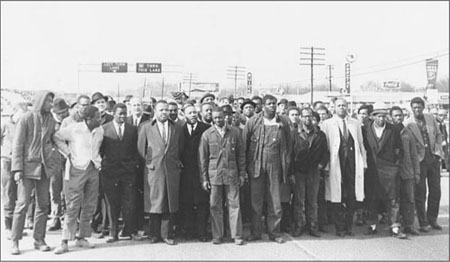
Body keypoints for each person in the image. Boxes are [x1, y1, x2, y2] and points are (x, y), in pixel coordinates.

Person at [10, 91, 57, 255]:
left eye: (52, 101)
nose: (51, 104)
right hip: (27, 168)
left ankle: (39, 239)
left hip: (44, 169)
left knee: (43, 205)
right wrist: (17, 169)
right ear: (40, 101)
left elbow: (53, 141)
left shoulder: (51, 120)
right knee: (22, 204)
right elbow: (17, 145)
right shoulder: (26, 118)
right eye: (48, 101)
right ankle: (15, 241)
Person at [53, 105, 104, 254]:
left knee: (89, 204)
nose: (100, 119)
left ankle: (82, 237)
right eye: (97, 117)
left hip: (93, 169)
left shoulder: (99, 130)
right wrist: (68, 153)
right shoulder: (75, 129)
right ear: (89, 119)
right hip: (77, 169)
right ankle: (64, 241)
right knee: (73, 205)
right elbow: (56, 137)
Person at [243, 94, 292, 244]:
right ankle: (256, 232)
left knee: (275, 201)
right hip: (257, 164)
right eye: (269, 103)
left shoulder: (283, 122)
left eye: (275, 103)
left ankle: (274, 232)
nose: (273, 106)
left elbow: (288, 146)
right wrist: (245, 168)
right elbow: (244, 145)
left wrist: (286, 165)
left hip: (275, 164)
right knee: (256, 201)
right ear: (263, 106)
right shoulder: (253, 121)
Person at [137, 100, 184, 245]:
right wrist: (151, 162)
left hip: (171, 170)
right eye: (161, 110)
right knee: (154, 202)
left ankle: (167, 234)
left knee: (169, 202)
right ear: (155, 112)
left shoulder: (177, 127)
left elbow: (180, 148)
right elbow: (140, 149)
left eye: (166, 110)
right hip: (154, 170)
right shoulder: (146, 127)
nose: (164, 113)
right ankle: (154, 234)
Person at [199, 107, 246, 245]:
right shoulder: (207, 134)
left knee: (234, 205)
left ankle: (236, 235)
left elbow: (241, 156)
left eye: (220, 117)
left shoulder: (235, 133)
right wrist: (204, 179)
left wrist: (242, 174)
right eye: (215, 118)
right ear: (212, 119)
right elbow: (202, 159)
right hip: (214, 176)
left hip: (232, 175)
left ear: (225, 117)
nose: (218, 120)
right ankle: (217, 235)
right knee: (215, 206)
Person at [321, 98, 367, 237]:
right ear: (334, 108)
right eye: (339, 105)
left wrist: (364, 163)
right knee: (337, 196)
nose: (342, 108)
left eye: (344, 105)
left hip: (352, 164)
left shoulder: (355, 123)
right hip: (336, 163)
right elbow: (326, 146)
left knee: (352, 195)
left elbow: (360, 143)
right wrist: (327, 166)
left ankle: (348, 226)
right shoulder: (327, 124)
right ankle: (339, 227)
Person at [100, 103, 143, 243]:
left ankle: (127, 230)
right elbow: (100, 150)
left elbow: (137, 150)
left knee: (129, 202)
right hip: (110, 172)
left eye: (125, 113)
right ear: (113, 113)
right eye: (120, 114)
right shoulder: (104, 129)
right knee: (112, 203)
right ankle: (113, 232)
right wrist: (104, 165)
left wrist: (133, 165)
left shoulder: (133, 129)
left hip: (128, 172)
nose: (123, 116)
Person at [363, 108, 407, 239]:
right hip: (372, 169)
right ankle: (372, 225)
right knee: (372, 197)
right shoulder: (365, 129)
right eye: (378, 117)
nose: (381, 119)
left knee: (393, 198)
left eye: (383, 117)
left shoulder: (392, 129)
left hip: (389, 169)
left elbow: (400, 148)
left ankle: (394, 227)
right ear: (373, 117)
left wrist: (396, 165)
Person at [404, 97, 444, 232]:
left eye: (419, 107)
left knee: (436, 191)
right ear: (411, 108)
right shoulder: (408, 123)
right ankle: (423, 222)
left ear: (423, 107)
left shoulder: (430, 118)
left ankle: (433, 219)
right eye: (414, 107)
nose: (417, 110)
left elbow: (439, 135)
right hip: (420, 162)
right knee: (420, 193)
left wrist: (438, 151)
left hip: (433, 160)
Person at [291, 107, 328, 237]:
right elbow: (290, 154)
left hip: (314, 171)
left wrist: (321, 165)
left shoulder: (320, 134)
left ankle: (313, 226)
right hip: (299, 171)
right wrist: (291, 172)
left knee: (313, 201)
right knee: (299, 201)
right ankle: (299, 225)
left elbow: (325, 153)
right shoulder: (295, 134)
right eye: (305, 116)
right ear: (301, 117)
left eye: (310, 116)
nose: (308, 119)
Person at [178, 103, 210, 242]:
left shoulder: (206, 129)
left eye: (194, 112)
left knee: (202, 203)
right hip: (185, 173)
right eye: (190, 113)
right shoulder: (180, 130)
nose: (193, 115)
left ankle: (202, 232)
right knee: (187, 203)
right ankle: (189, 231)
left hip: (201, 171)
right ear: (184, 115)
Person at [390, 106, 421, 236]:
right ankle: (395, 227)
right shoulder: (389, 131)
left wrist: (417, 172)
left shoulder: (407, 132)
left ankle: (409, 225)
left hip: (407, 171)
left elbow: (414, 154)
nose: (398, 118)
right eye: (395, 115)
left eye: (400, 115)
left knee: (409, 199)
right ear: (391, 117)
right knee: (394, 200)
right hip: (393, 172)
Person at [1, 102, 28, 240]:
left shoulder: (24, 126)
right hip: (8, 162)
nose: (22, 119)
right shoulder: (5, 125)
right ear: (13, 112)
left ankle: (17, 227)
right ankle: (8, 226)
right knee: (8, 193)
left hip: (22, 162)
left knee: (21, 195)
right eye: (20, 116)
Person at [126, 96, 151, 237]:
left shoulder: (148, 121)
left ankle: (141, 225)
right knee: (130, 196)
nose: (136, 107)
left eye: (139, 105)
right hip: (129, 164)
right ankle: (130, 227)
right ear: (130, 106)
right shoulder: (127, 120)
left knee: (141, 196)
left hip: (143, 163)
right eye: (134, 105)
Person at [91, 92, 113, 238]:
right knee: (95, 195)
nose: (101, 105)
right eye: (98, 103)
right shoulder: (91, 119)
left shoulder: (111, 119)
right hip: (93, 161)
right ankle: (94, 224)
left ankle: (105, 225)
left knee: (106, 196)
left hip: (107, 160)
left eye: (102, 102)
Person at [48, 98, 70, 231]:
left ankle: (68, 218)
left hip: (69, 159)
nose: (63, 115)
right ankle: (55, 217)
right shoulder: (50, 123)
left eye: (65, 111)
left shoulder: (70, 122)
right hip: (55, 161)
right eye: (60, 113)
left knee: (68, 190)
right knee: (55, 190)